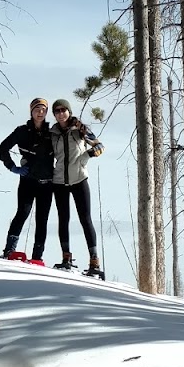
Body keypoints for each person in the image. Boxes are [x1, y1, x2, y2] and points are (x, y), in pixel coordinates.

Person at [47, 99, 105, 278]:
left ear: (69, 111)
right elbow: (45, 154)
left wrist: (85, 157)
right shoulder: (52, 133)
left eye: (64, 110)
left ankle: (94, 260)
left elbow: (100, 146)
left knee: (85, 219)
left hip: (79, 179)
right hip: (59, 182)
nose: (61, 113)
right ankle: (66, 257)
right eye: (57, 111)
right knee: (63, 219)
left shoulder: (80, 129)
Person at [0, 97, 56, 263]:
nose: (40, 112)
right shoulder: (22, 131)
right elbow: (3, 148)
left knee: (42, 219)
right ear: (31, 111)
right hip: (28, 181)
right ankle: (9, 249)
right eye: (37, 109)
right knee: (22, 213)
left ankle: (37, 256)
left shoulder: (52, 133)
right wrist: (13, 167)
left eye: (43, 109)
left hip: (47, 183)